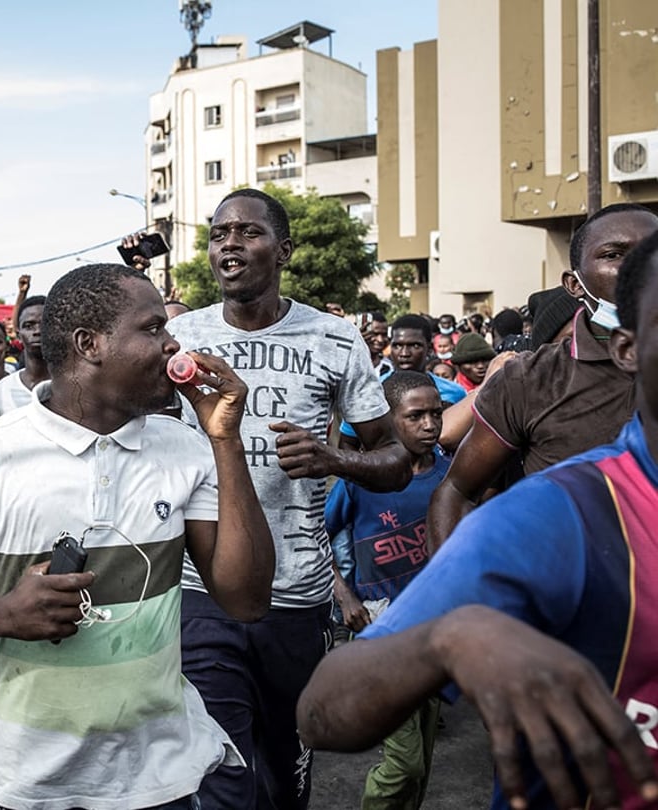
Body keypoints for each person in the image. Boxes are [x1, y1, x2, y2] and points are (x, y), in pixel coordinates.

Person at [0, 263, 277, 810]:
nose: (172, 343)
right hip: (31, 785)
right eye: (152, 328)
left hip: (163, 780)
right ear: (90, 344)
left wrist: (225, 439)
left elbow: (246, 599)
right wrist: (0, 615)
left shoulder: (185, 448)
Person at [296, 225, 658, 810]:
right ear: (629, 349)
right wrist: (458, 631)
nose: (427, 423)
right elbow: (325, 712)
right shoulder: (559, 510)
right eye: (615, 254)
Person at [165, 187, 411, 810]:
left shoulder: (334, 340)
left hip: (297, 596)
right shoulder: (179, 339)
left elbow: (396, 460)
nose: (229, 244)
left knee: (282, 771)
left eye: (247, 233)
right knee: (220, 770)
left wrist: (335, 459)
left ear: (284, 250)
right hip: (204, 587)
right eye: (220, 234)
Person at [427, 203, 658, 550]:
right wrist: (456, 592)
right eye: (615, 255)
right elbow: (458, 491)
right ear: (575, 284)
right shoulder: (529, 379)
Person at [325, 371, 449, 810]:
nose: (430, 425)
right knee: (405, 763)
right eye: (416, 416)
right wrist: (343, 593)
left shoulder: (451, 478)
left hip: (435, 636)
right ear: (389, 421)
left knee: (424, 760)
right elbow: (314, 534)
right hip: (381, 633)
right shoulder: (363, 480)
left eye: (436, 414)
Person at [0, 295, 47, 420]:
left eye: (45, 324)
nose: (37, 331)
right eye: (29, 326)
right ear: (18, 335)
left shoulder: (75, 387)